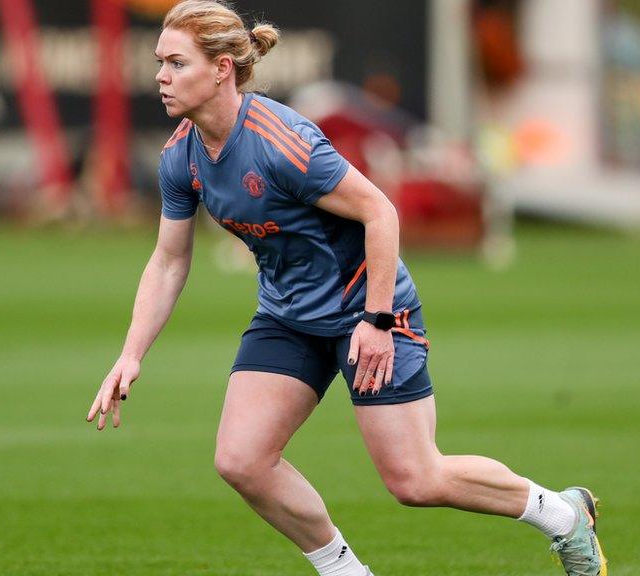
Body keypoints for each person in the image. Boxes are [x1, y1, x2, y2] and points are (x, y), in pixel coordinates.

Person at [86, 2, 607, 575]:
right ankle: (345, 571)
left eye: (176, 62)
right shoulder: (180, 157)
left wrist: (378, 321)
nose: (160, 75)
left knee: (415, 479)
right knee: (242, 460)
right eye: (159, 61)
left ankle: (562, 516)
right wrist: (131, 354)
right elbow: (167, 261)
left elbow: (380, 214)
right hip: (288, 317)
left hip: (370, 310)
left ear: (222, 69)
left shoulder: (281, 142)